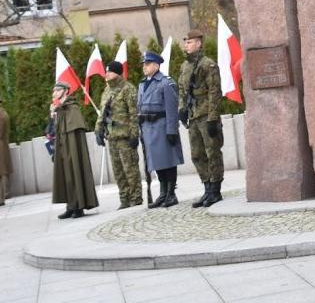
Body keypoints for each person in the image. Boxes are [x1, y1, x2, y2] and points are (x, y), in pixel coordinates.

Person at [178, 30, 225, 208]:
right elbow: (182, 91)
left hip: (206, 115)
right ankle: (206, 187)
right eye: (185, 42)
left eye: (189, 42)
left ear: (198, 43)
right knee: (197, 154)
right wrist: (181, 109)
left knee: (212, 152)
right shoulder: (184, 66)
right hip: (193, 116)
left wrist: (213, 118)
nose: (186, 45)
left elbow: (214, 92)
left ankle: (215, 190)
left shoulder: (208, 65)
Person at [138, 51, 183, 208]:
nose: (145, 67)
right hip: (148, 128)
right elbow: (140, 108)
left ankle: (171, 193)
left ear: (156, 65)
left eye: (148, 64)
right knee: (157, 162)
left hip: (162, 126)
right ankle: (163, 193)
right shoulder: (143, 84)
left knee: (168, 160)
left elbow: (172, 108)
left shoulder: (165, 82)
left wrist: (172, 130)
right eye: (144, 64)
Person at [94, 61, 142, 209]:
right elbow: (102, 112)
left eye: (109, 71)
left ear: (117, 73)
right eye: (106, 71)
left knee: (130, 169)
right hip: (112, 137)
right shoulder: (107, 90)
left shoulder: (128, 89)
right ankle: (124, 198)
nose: (106, 74)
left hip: (125, 137)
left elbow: (134, 114)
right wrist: (98, 130)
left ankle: (136, 197)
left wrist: (134, 134)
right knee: (118, 171)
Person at [51, 81, 99, 219]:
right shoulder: (59, 108)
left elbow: (75, 132)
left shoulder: (72, 107)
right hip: (63, 146)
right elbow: (58, 130)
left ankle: (79, 206)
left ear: (66, 91)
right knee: (66, 175)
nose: (54, 93)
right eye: (53, 91)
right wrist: (54, 114)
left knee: (76, 171)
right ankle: (70, 206)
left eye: (57, 90)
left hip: (72, 147)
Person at [0, 95, 11, 206]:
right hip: (2, 146)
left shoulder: (1, 115)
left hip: (1, 146)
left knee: (2, 172)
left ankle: (3, 197)